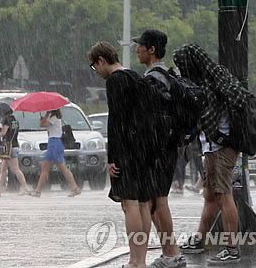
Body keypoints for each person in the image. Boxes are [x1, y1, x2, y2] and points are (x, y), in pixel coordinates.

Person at [88, 41, 156, 268]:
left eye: (94, 66)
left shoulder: (115, 81)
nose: (96, 71)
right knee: (145, 202)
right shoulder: (136, 77)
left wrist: (113, 157)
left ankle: (135, 261)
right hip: (146, 147)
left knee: (130, 203)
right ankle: (141, 259)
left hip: (127, 149)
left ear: (101, 60)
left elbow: (116, 120)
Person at [174, 44, 244, 264]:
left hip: (222, 145)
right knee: (211, 196)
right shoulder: (216, 75)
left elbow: (206, 118)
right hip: (213, 147)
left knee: (224, 195)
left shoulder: (208, 82)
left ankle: (232, 248)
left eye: (182, 65)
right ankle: (199, 240)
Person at [133, 30, 186, 268]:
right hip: (168, 145)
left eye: (141, 45)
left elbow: (154, 119)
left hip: (160, 147)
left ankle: (172, 254)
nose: (137, 49)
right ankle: (170, 253)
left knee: (158, 200)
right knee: (157, 200)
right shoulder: (169, 74)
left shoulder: (154, 78)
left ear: (151, 49)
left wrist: (152, 150)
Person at [28, 109, 81, 198]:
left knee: (45, 168)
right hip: (55, 143)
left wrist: (44, 117)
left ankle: (37, 191)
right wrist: (45, 117)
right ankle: (75, 188)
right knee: (62, 168)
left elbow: (42, 125)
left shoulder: (54, 117)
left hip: (54, 143)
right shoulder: (52, 116)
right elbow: (43, 124)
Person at [0, 109, 33, 195]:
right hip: (15, 145)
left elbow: (3, 133)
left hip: (9, 148)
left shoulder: (6, 120)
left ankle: (26, 188)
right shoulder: (15, 121)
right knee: (3, 169)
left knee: (15, 169)